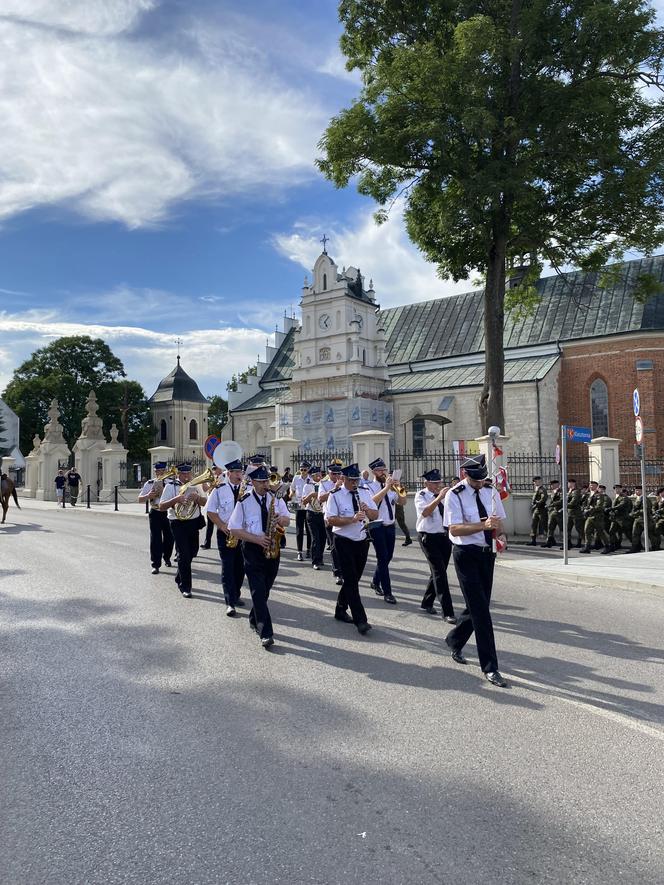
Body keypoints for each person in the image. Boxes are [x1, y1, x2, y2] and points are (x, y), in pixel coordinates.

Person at [444, 454, 508, 688]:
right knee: (481, 612)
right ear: (465, 475)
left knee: (479, 605)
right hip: (466, 554)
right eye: (476, 480)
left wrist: (501, 535)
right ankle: (490, 667)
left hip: (486, 554)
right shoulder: (455, 494)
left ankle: (454, 639)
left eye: (483, 479)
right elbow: (455, 529)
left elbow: (498, 521)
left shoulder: (490, 491)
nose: (480, 483)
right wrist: (483, 525)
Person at [227, 464, 290, 649]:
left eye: (266, 481)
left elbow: (287, 519)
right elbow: (234, 529)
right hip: (253, 550)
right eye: (261, 481)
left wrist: (280, 519)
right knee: (257, 590)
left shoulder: (275, 499)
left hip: (272, 547)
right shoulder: (244, 501)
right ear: (252, 482)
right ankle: (266, 632)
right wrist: (256, 539)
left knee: (266, 589)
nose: (265, 484)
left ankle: (255, 618)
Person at [325, 463, 379, 635]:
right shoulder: (335, 495)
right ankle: (360, 620)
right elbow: (331, 520)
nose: (355, 483)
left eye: (356, 479)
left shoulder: (364, 492)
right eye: (351, 480)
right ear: (343, 479)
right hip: (343, 540)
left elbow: (375, 515)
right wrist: (352, 519)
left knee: (354, 578)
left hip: (362, 539)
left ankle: (340, 609)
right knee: (350, 578)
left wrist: (368, 510)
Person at [205, 458, 246, 616]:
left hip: (242, 534)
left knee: (240, 568)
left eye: (240, 472)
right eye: (236, 472)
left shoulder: (246, 489)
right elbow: (210, 510)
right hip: (225, 533)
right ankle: (230, 602)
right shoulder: (219, 488)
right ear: (229, 473)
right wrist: (221, 526)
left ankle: (236, 594)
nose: (239, 475)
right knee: (228, 567)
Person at [159, 463, 206, 598]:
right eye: (184, 474)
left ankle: (179, 576)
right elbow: (162, 506)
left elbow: (205, 502)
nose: (187, 476)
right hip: (177, 523)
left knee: (192, 552)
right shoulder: (170, 486)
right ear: (178, 474)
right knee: (184, 554)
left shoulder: (195, 485)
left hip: (193, 522)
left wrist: (197, 498)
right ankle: (186, 587)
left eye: (188, 474)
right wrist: (176, 499)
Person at [415, 469, 456, 623]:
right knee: (440, 573)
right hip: (428, 537)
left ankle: (427, 602)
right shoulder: (422, 495)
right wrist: (439, 497)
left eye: (439, 482)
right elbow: (425, 512)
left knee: (439, 571)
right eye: (434, 483)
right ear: (426, 483)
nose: (437, 485)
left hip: (444, 537)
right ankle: (448, 611)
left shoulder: (446, 496)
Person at [367, 458, 404, 605]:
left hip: (390, 525)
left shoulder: (392, 486)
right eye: (380, 470)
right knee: (382, 558)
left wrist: (399, 487)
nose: (384, 473)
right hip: (377, 525)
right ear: (374, 472)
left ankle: (375, 581)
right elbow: (372, 502)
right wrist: (386, 488)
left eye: (385, 470)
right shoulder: (369, 486)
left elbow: (403, 501)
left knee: (388, 557)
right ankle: (388, 592)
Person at [137, 461, 174, 574]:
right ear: (155, 472)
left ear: (165, 471)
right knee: (155, 539)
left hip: (168, 512)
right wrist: (148, 496)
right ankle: (155, 564)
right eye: (157, 471)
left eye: (162, 471)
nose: (160, 473)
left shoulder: (171, 483)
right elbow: (139, 499)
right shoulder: (150, 483)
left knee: (170, 537)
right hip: (155, 512)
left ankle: (166, 557)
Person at [318, 463, 344, 585]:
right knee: (334, 546)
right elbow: (321, 499)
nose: (336, 476)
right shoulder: (323, 484)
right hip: (329, 518)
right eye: (334, 473)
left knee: (345, 545)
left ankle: (345, 569)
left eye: (338, 473)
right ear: (329, 474)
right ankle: (338, 572)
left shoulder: (345, 483)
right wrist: (334, 488)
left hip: (343, 518)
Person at [302, 466, 326, 570]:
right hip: (311, 514)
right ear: (313, 476)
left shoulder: (325, 485)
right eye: (317, 474)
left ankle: (320, 557)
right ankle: (315, 561)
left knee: (323, 538)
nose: (320, 476)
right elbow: (303, 502)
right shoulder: (307, 486)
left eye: (320, 474)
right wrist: (312, 495)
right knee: (315, 538)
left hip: (323, 514)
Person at [579, 481, 610, 554]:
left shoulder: (599, 495)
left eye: (593, 485)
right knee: (587, 531)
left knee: (601, 532)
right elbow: (584, 503)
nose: (591, 487)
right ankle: (587, 547)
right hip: (590, 516)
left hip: (597, 517)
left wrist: (589, 509)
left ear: (597, 486)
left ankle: (607, 546)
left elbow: (599, 506)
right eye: (590, 485)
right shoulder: (588, 495)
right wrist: (584, 509)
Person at [291, 461, 312, 561]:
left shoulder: (311, 479)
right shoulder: (296, 478)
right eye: (301, 469)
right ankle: (299, 551)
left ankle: (308, 549)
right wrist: (291, 494)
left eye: (305, 469)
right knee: (299, 529)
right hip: (299, 506)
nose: (303, 471)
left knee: (309, 529)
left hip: (308, 506)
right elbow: (292, 489)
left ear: (308, 470)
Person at [200, 465, 223, 549]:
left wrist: (214, 485)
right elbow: (206, 489)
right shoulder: (213, 478)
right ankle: (207, 543)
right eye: (213, 469)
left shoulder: (223, 477)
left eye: (215, 469)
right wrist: (203, 481)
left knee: (219, 525)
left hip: (220, 505)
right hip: (212, 504)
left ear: (219, 468)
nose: (213, 471)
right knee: (210, 525)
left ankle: (221, 543)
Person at [607, 484, 632, 552]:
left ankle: (636, 545)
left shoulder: (624, 497)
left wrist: (611, 509)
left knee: (627, 533)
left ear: (621, 489)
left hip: (622, 519)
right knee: (611, 531)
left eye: (618, 489)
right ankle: (612, 546)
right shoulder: (615, 497)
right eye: (615, 489)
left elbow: (621, 505)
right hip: (615, 518)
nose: (616, 490)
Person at [542, 479, 563, 548]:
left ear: (557, 484)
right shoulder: (552, 492)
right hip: (552, 512)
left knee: (562, 528)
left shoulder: (561, 491)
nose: (551, 486)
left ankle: (565, 542)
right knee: (550, 527)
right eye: (551, 485)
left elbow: (561, 501)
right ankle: (549, 542)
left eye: (553, 484)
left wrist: (552, 504)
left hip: (559, 512)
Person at [528, 476, 547, 545]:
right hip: (536, 510)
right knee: (533, 525)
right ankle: (533, 541)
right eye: (536, 481)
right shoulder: (536, 489)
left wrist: (536, 505)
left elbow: (543, 499)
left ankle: (549, 540)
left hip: (541, 509)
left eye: (539, 481)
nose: (537, 482)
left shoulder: (542, 489)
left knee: (544, 525)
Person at [566, 478, 585, 548]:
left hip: (576, 514)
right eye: (568, 483)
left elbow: (574, 502)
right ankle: (568, 543)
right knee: (568, 529)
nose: (568, 484)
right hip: (570, 513)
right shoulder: (569, 491)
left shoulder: (576, 492)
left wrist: (565, 505)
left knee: (579, 529)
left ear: (573, 484)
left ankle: (585, 543)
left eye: (570, 483)